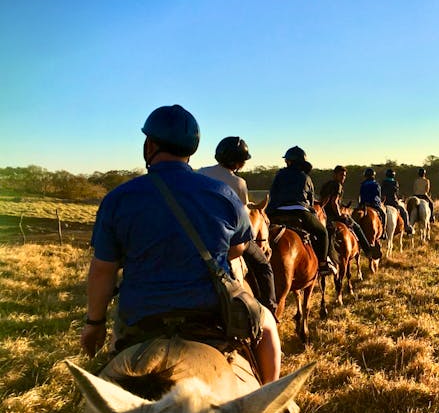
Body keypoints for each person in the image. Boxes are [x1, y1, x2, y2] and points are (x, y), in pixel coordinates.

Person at [81, 104, 281, 383]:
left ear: (149, 145)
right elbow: (237, 249)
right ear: (191, 151)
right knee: (268, 325)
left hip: (140, 315)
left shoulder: (118, 198)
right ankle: (269, 398)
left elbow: (103, 270)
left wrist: (94, 324)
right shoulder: (223, 193)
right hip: (211, 314)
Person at [198, 136, 277, 317]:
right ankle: (270, 309)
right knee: (264, 266)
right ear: (240, 162)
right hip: (225, 238)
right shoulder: (239, 183)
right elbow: (242, 219)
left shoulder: (201, 172)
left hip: (197, 233)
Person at [266, 146, 337, 276]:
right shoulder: (306, 178)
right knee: (323, 233)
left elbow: (273, 194)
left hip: (276, 212)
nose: (286, 162)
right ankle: (322, 264)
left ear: (290, 161)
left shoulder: (279, 175)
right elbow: (310, 201)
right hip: (300, 212)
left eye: (287, 160)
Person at [319, 166, 382, 259]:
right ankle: (368, 250)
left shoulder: (326, 185)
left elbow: (323, 200)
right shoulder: (338, 185)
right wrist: (340, 215)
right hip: (334, 215)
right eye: (341, 175)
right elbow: (334, 202)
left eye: (344, 176)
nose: (343, 177)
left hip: (324, 215)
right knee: (357, 227)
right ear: (335, 175)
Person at [381, 169, 413, 235]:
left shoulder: (383, 182)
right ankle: (407, 227)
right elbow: (396, 192)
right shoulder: (395, 182)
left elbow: (382, 192)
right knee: (404, 212)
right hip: (393, 202)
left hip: (384, 202)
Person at [359, 168, 386, 238]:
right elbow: (378, 196)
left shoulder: (363, 184)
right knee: (383, 215)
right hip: (374, 204)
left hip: (363, 205)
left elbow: (361, 195)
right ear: (373, 176)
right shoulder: (376, 184)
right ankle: (383, 232)